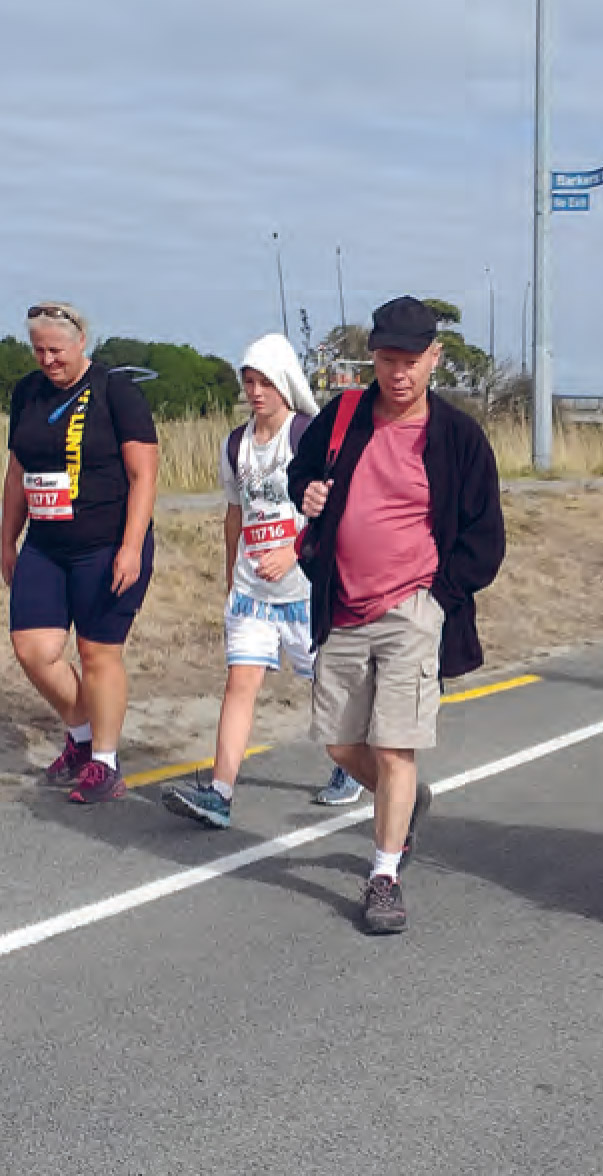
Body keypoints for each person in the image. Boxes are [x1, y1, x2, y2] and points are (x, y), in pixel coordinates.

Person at [288, 295, 505, 935]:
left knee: (394, 743)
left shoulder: (458, 436)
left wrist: (437, 598)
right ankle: (405, 803)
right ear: (373, 359)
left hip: (414, 606)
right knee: (338, 739)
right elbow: (302, 474)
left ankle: (384, 876)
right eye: (387, 360)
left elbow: (484, 539)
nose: (399, 373)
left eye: (412, 360)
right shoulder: (344, 414)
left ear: (434, 358)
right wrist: (309, 492)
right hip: (343, 604)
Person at [162, 335, 360, 828]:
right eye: (249, 382)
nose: (256, 392)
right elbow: (237, 514)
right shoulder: (235, 444)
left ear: (285, 383)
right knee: (240, 685)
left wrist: (292, 553)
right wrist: (233, 575)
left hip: (305, 591)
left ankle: (352, 765)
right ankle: (220, 793)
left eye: (265, 382)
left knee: (327, 686)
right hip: (253, 594)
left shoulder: (307, 435)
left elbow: (331, 512)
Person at [2, 302, 159, 805]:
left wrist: (131, 546)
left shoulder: (116, 391)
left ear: (81, 342)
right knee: (33, 650)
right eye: (38, 350)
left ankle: (106, 764)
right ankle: (83, 736)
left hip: (107, 543)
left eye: (56, 350)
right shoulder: (27, 393)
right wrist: (8, 538)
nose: (48, 360)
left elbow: (144, 474)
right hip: (46, 545)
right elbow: (17, 471)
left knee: (97, 654)